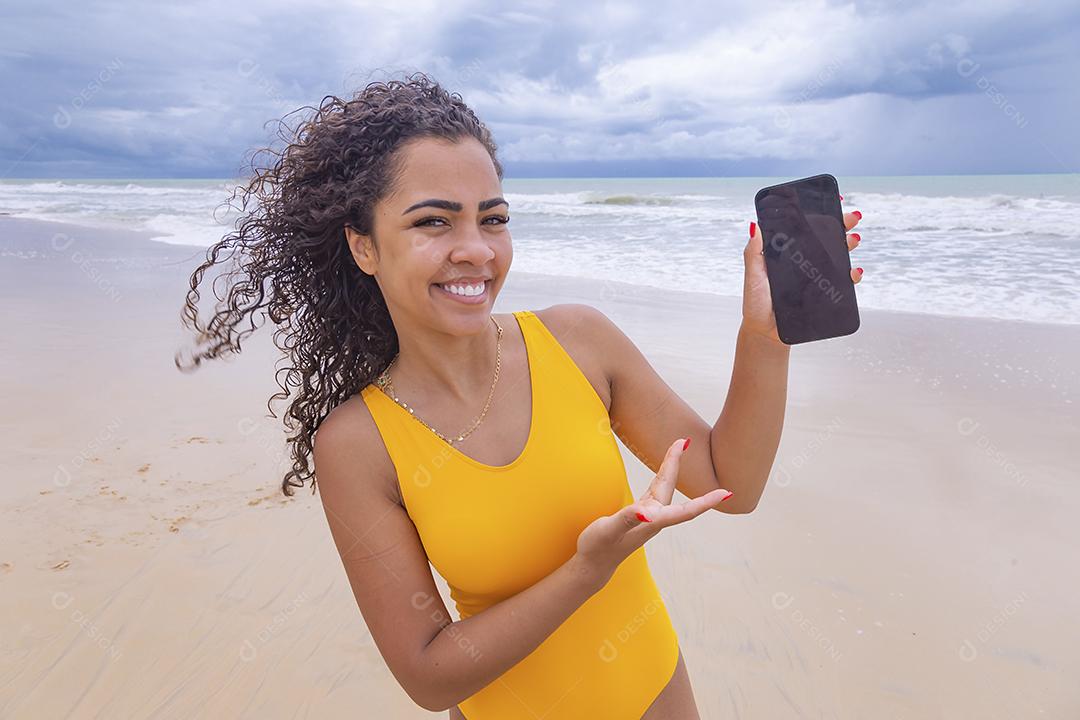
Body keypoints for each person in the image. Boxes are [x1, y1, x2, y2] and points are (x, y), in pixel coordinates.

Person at [176, 70, 865, 719]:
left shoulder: (580, 341)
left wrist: (765, 340)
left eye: (494, 218)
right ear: (364, 248)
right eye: (433, 222)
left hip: (659, 697)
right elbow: (427, 672)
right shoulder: (358, 444)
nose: (476, 249)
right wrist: (587, 571)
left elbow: (727, 482)